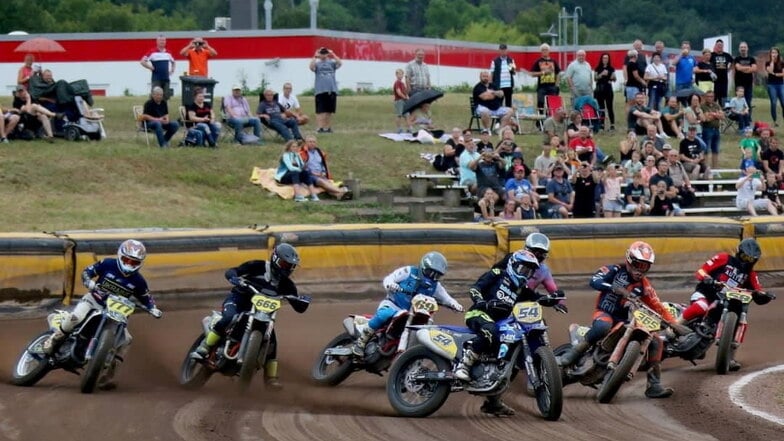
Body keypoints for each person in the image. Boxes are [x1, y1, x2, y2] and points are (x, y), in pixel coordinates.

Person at [558, 241, 689, 398]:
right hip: (605, 313)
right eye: (638, 264)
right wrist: (613, 287)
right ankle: (573, 354)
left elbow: (657, 306)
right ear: (629, 259)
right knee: (602, 327)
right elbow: (594, 280)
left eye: (645, 266)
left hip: (625, 320)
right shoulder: (614, 270)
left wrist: (674, 324)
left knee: (657, 342)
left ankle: (654, 385)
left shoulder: (645, 286)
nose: (640, 270)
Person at [43, 239, 162, 389]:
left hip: (117, 313)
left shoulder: (139, 281)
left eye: (134, 263)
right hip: (93, 301)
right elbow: (87, 271)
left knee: (126, 341)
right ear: (120, 255)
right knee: (76, 317)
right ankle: (54, 339)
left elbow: (146, 297)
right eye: (127, 260)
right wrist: (89, 281)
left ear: (140, 263)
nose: (129, 265)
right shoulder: (107, 264)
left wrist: (153, 308)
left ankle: (108, 375)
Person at [454, 249, 561, 416]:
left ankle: (493, 401)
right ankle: (464, 366)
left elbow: (536, 297)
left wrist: (553, 299)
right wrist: (483, 303)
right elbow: (475, 288)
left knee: (511, 356)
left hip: (502, 322)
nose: (525, 274)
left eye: (529, 271)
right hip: (480, 314)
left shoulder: (521, 289)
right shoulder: (497, 274)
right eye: (522, 269)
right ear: (513, 265)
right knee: (491, 330)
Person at [191, 243, 305, 387]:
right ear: (275, 259)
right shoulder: (258, 266)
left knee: (272, 341)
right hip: (238, 302)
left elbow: (299, 307)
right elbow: (233, 271)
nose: (287, 269)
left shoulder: (287, 285)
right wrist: (234, 277)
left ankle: (271, 378)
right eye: (284, 264)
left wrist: (301, 301)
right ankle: (205, 347)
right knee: (228, 318)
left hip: (263, 314)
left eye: (290, 266)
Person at [677, 238, 775, 371]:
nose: (747, 261)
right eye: (745, 257)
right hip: (706, 295)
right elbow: (701, 271)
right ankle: (673, 328)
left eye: (751, 259)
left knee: (740, 314)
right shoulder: (723, 258)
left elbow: (758, 291)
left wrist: (765, 296)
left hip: (725, 303)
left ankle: (730, 356)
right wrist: (707, 278)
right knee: (701, 307)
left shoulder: (750, 274)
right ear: (739, 253)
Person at [352, 252, 463, 357]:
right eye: (430, 272)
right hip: (393, 304)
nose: (432, 277)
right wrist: (391, 285)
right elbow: (389, 278)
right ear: (423, 267)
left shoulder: (436, 286)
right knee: (384, 314)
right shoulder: (408, 271)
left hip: (413, 313)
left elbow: (446, 298)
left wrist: (455, 304)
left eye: (437, 275)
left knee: (421, 328)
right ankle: (361, 342)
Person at [299, 135, 352, 200]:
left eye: (313, 142)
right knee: (322, 182)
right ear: (306, 143)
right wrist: (314, 173)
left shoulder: (319, 152)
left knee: (327, 185)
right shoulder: (302, 153)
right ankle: (342, 191)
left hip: (321, 175)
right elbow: (302, 168)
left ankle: (339, 195)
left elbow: (323, 165)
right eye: (310, 142)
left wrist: (324, 172)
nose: (312, 143)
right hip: (309, 176)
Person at [310, 47, 342, 133]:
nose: (323, 55)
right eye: (322, 53)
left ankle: (327, 128)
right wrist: (315, 56)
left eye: (325, 53)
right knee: (320, 111)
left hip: (331, 90)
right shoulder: (317, 64)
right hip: (320, 90)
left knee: (329, 110)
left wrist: (332, 54)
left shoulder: (331, 63)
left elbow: (340, 63)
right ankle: (320, 127)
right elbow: (311, 67)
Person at [530, 43, 561, 115]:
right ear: (541, 51)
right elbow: (532, 74)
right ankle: (539, 121)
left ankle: (549, 118)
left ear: (549, 51)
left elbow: (558, 73)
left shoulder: (553, 61)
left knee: (551, 104)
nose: (544, 51)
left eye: (546, 50)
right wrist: (543, 73)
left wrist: (557, 84)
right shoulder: (538, 61)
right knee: (540, 103)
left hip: (552, 86)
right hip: (542, 87)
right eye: (543, 50)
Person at [593, 52, 616, 131]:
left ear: (608, 59)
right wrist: (601, 74)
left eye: (606, 58)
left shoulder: (611, 68)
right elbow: (595, 78)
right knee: (601, 107)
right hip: (600, 89)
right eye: (604, 58)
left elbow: (614, 78)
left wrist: (612, 77)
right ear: (601, 59)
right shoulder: (597, 68)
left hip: (608, 89)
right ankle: (601, 124)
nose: (605, 59)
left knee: (610, 107)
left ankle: (612, 124)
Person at [734, 42, 757, 118]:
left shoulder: (752, 59)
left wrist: (742, 68)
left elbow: (754, 69)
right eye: (741, 47)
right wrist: (748, 68)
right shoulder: (737, 59)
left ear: (747, 48)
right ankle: (739, 117)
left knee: (748, 101)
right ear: (739, 49)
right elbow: (738, 68)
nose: (743, 49)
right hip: (739, 84)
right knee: (738, 101)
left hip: (748, 84)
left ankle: (748, 118)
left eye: (744, 47)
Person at [490, 43, 516, 107]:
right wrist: (490, 85)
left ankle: (508, 116)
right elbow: (492, 73)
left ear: (507, 51)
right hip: (499, 85)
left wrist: (512, 69)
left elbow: (514, 73)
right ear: (499, 51)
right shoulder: (495, 61)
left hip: (508, 85)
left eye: (504, 50)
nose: (503, 51)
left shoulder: (510, 60)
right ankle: (499, 116)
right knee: (499, 102)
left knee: (508, 103)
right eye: (501, 50)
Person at [710, 39, 733, 106]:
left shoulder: (727, 55)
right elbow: (706, 62)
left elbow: (733, 62)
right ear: (716, 46)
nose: (720, 46)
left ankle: (725, 110)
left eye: (721, 45)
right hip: (714, 80)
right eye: (718, 45)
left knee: (724, 96)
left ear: (723, 46)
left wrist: (729, 69)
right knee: (714, 96)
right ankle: (712, 109)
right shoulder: (712, 55)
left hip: (724, 79)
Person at [765, 47, 784, 127]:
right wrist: (772, 61)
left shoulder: (782, 63)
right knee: (773, 102)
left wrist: (776, 74)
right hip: (771, 85)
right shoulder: (767, 62)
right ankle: (775, 120)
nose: (774, 54)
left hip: (780, 84)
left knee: (783, 102)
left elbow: (783, 74)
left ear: (778, 54)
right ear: (770, 54)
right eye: (772, 53)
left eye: (775, 52)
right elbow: (770, 71)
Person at [392, 69, 410, 133]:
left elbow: (405, 92)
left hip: (404, 101)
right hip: (399, 101)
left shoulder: (402, 83)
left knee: (407, 115)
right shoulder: (397, 82)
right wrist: (405, 97)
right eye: (399, 74)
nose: (400, 76)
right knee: (399, 115)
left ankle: (409, 128)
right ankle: (399, 129)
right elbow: (398, 92)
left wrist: (407, 96)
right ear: (396, 75)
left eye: (401, 74)